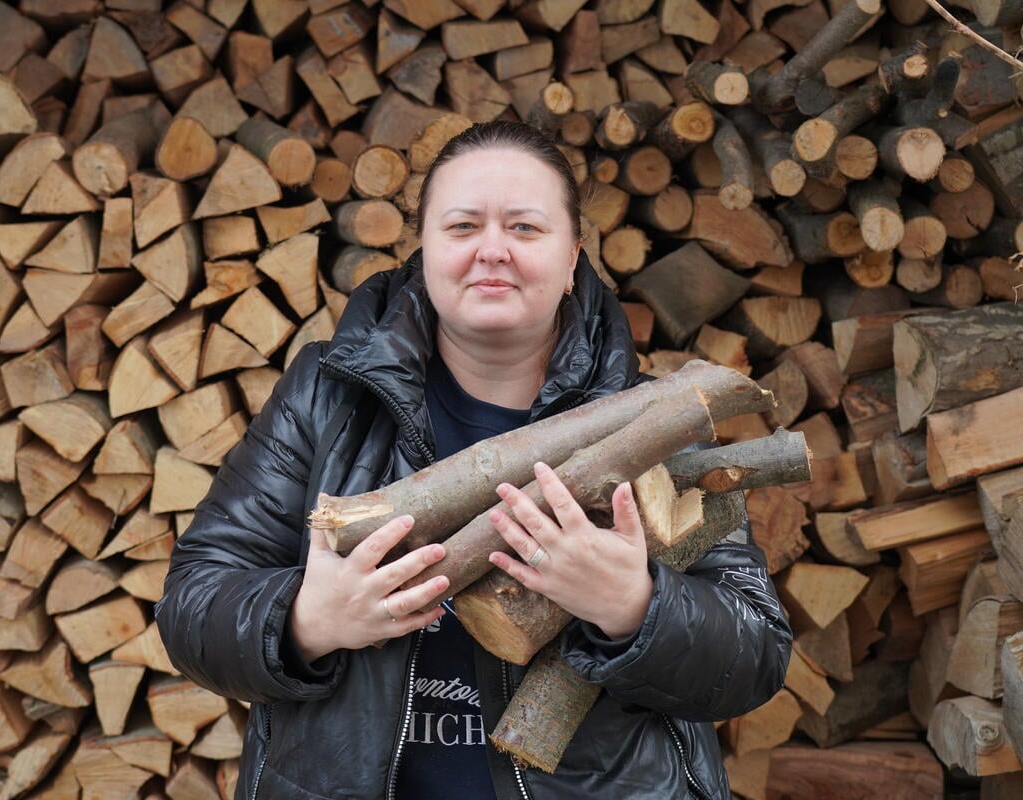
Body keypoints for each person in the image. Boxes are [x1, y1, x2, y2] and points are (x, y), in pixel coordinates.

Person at [156, 120, 792, 799]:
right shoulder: (330, 396)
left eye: (524, 228)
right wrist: (305, 620)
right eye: (462, 227)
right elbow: (192, 602)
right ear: (425, 248)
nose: (493, 250)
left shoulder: (657, 423)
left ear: (573, 255)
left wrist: (635, 605)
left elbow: (755, 654)